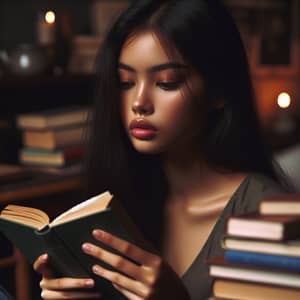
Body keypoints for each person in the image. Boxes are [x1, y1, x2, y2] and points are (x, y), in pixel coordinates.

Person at [34, 0, 290, 299]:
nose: (139, 102)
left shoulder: (266, 216)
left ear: (217, 92)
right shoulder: (118, 201)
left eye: (167, 83)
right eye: (125, 81)